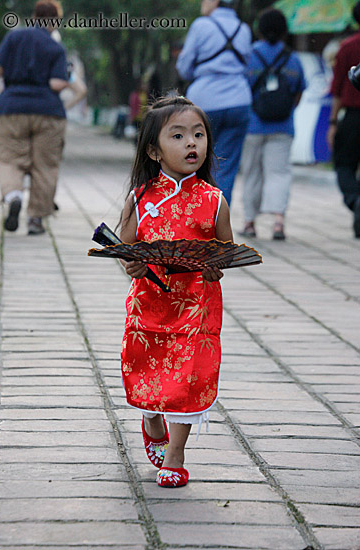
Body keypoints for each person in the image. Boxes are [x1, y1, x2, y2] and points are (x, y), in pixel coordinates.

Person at [119, 96, 233, 488]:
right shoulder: (141, 197)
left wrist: (217, 268)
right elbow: (126, 246)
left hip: (196, 307)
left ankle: (176, 453)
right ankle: (151, 419)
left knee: (187, 379)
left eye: (198, 135)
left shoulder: (214, 201)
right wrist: (131, 263)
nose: (192, 144)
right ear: (154, 149)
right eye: (179, 135)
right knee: (146, 372)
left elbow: (226, 251)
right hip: (149, 304)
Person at [0, 0, 68, 235]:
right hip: (48, 111)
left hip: (10, 108)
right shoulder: (56, 48)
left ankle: (14, 195)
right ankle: (36, 219)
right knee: (45, 165)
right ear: (54, 21)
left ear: (34, 17)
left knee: (8, 158)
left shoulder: (14, 38)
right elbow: (57, 84)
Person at [176, 0, 252, 206]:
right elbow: (247, 66)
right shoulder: (243, 29)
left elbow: (184, 67)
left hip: (204, 102)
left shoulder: (201, 25)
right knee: (226, 166)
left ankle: (196, 217)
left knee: (196, 161)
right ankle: (217, 222)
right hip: (239, 100)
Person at [239, 8, 305, 240]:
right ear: (285, 31)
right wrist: (283, 111)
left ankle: (249, 222)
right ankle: (278, 223)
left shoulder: (248, 56)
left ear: (259, 30)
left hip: (252, 126)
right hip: (283, 127)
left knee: (252, 173)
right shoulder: (293, 59)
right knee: (279, 174)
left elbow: (242, 89)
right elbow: (298, 93)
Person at [327, 1, 360, 239]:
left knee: (344, 164)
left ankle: (355, 199)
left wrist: (332, 123)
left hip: (353, 116)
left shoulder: (347, 46)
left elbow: (338, 87)